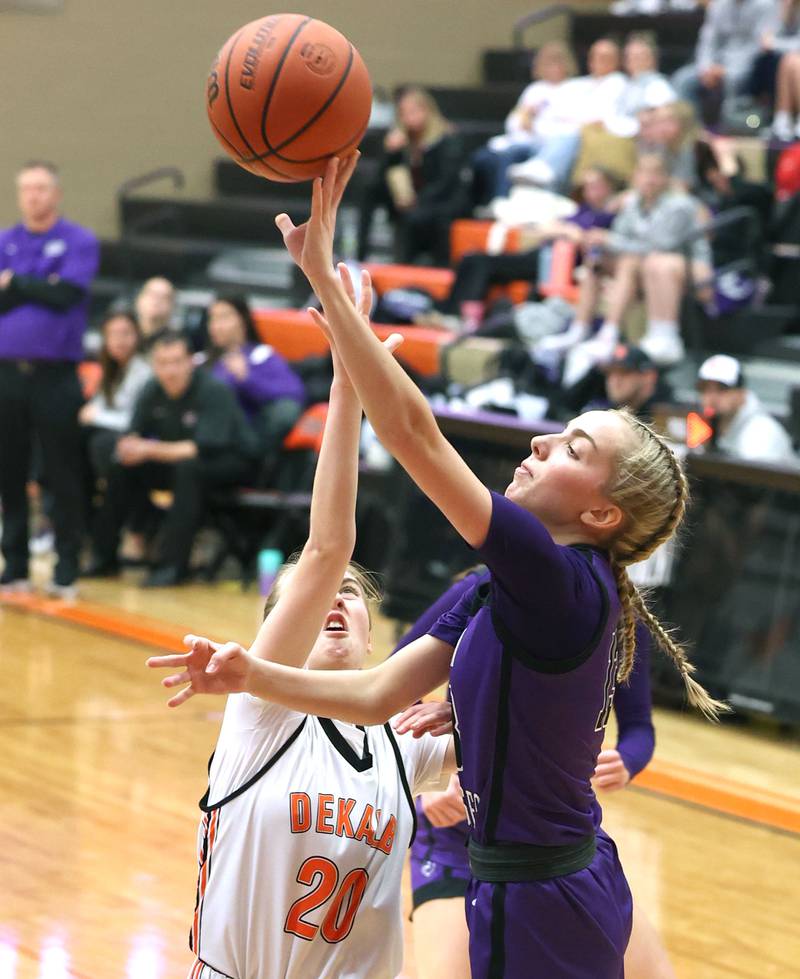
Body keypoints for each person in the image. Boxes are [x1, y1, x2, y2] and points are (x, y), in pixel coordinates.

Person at [161, 157, 725, 979]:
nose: (539, 442)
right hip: (530, 880)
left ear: (601, 515)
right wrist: (253, 674)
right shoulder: (503, 590)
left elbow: (419, 439)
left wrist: (323, 282)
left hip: (544, 892)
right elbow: (382, 693)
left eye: (572, 447)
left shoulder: (559, 578)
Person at [147, 320, 457, 979]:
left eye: (351, 595)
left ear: (374, 635)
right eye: (317, 599)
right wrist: (347, 385)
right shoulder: (263, 713)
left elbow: (536, 739)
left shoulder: (403, 743)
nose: (335, 599)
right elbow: (325, 550)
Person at [393, 570, 675, 979]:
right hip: (461, 836)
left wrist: (629, 760)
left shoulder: (620, 612)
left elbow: (639, 728)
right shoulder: (485, 587)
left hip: (554, 838)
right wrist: (446, 768)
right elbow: (395, 683)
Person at [87, 331, 258, 587]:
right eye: (163, 363)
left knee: (189, 469)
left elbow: (200, 449)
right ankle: (105, 557)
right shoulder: (152, 389)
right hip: (181, 462)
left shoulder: (212, 390)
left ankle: (172, 567)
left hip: (232, 462)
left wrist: (145, 449)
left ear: (190, 361)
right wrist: (128, 447)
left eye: (177, 361)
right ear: (154, 365)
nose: (171, 370)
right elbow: (134, 434)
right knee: (122, 466)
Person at [0, 160, 99, 599]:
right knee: (9, 473)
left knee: (62, 473)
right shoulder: (6, 240)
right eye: (27, 189)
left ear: (56, 194)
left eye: (41, 188)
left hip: (56, 375)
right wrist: (38, 284)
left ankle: (65, 568)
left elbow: (66, 295)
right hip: (7, 374)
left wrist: (16, 283)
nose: (34, 196)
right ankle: (15, 565)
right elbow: (45, 291)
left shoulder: (78, 241)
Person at [561, 153, 712, 382]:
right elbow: (623, 237)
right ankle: (582, 329)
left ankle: (664, 335)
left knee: (650, 260)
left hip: (687, 266)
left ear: (666, 178)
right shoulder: (631, 202)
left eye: (655, 174)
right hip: (647, 267)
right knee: (601, 259)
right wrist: (603, 242)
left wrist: (609, 239)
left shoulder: (680, 204)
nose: (649, 180)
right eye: (644, 174)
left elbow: (662, 245)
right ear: (635, 177)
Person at [356, 86, 469, 265]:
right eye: (404, 113)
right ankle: (360, 255)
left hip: (438, 201)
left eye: (414, 111)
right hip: (409, 198)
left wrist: (417, 201)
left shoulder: (446, 138)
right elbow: (383, 175)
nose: (409, 118)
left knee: (412, 217)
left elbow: (446, 183)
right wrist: (390, 152)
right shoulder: (404, 140)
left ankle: (404, 264)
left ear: (427, 110)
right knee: (370, 188)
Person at [203, 295, 306, 479]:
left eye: (224, 317)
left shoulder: (261, 355)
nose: (216, 325)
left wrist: (247, 379)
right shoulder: (200, 362)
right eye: (213, 318)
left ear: (243, 320)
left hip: (239, 449)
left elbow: (294, 394)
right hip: (202, 440)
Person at [507, 39, 627, 191]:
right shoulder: (578, 84)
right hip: (551, 133)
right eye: (595, 56)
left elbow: (601, 117)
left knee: (569, 135)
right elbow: (554, 112)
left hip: (583, 133)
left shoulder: (619, 83)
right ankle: (539, 171)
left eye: (605, 58)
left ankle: (543, 168)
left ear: (617, 61)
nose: (598, 61)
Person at [471, 41, 577, 205]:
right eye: (547, 63)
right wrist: (525, 118)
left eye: (556, 62)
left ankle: (501, 201)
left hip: (547, 147)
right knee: (483, 157)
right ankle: (481, 204)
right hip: (522, 139)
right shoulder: (534, 90)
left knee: (509, 156)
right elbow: (513, 123)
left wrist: (533, 125)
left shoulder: (574, 89)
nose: (552, 68)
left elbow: (568, 129)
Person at [671, 0, 777, 124]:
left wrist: (727, 69)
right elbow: (707, 42)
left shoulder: (766, 5)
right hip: (716, 63)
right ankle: (692, 130)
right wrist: (706, 68)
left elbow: (762, 45)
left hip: (748, 65)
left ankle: (730, 127)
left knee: (733, 78)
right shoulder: (718, 5)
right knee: (682, 79)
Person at [79, 311, 152, 482]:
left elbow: (135, 421)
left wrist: (96, 416)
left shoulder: (145, 371)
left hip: (138, 434)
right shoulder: (110, 369)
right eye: (112, 334)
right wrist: (93, 414)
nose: (119, 340)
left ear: (138, 335)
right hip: (111, 430)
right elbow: (96, 406)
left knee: (102, 442)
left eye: (125, 333)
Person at [696, 354, 798, 463]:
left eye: (721, 389)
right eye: (704, 389)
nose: (711, 398)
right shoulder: (708, 425)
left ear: (741, 394)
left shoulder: (761, 433)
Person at [134, 276, 177, 348]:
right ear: (139, 299)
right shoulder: (123, 335)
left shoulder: (177, 344)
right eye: (153, 295)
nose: (157, 301)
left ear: (172, 306)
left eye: (164, 297)